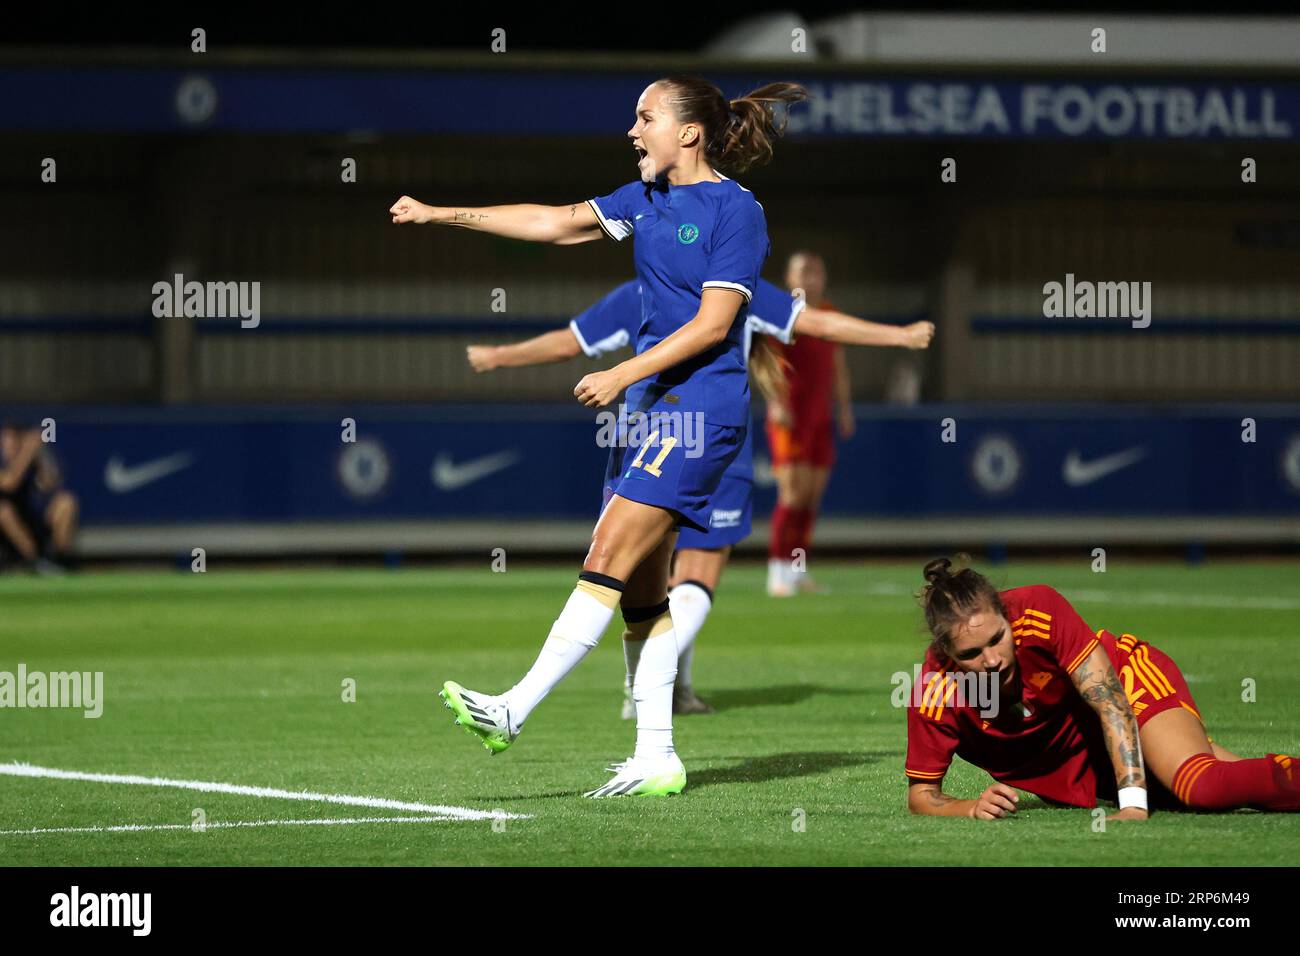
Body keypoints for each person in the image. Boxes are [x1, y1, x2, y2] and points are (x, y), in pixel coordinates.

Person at [390, 74, 807, 796]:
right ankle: (657, 756)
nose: (632, 131)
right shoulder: (642, 198)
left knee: (608, 550)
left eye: (645, 118)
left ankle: (513, 709)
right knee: (645, 591)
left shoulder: (736, 211)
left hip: (700, 411)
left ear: (688, 133)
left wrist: (619, 374)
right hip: (648, 413)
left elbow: (714, 326)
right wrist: (438, 214)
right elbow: (550, 222)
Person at [467, 278, 933, 717]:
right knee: (696, 578)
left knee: (649, 580)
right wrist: (900, 336)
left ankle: (672, 689)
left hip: (650, 443)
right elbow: (818, 323)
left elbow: (570, 340)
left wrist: (499, 357)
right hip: (715, 440)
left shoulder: (642, 291)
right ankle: (648, 688)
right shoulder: (737, 287)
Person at [906, 557, 1298, 819]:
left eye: (997, 639)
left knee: (1200, 785)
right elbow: (922, 796)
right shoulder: (934, 690)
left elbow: (1110, 702)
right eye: (972, 653)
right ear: (945, 651)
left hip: (1123, 685)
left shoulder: (1039, 608)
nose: (992, 660)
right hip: (1081, 746)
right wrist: (970, 806)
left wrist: (1131, 803)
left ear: (1008, 616)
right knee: (1199, 789)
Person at [0, 421, 78, 573]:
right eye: (5, 442)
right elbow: (10, 483)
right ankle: (35, 562)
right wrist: (28, 451)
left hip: (34, 519)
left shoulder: (31, 460)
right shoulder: (22, 457)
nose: (9, 447)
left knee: (66, 502)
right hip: (8, 533)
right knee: (2, 511)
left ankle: (60, 560)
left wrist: (41, 455)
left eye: (14, 441)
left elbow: (51, 482)